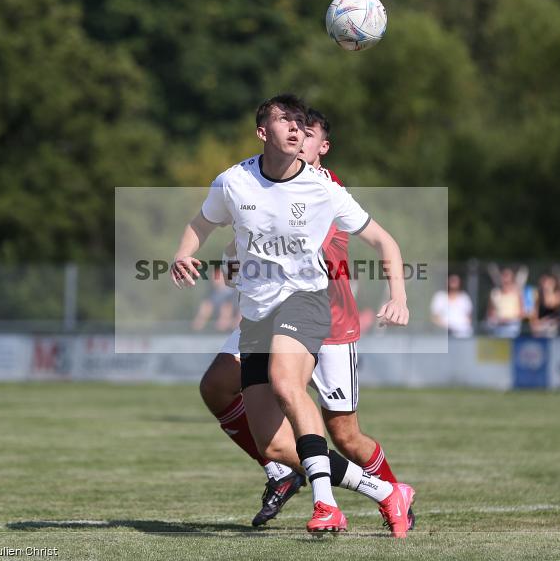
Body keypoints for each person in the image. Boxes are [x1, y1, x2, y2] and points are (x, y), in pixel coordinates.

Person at [172, 94, 414, 537]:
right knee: (275, 445)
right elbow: (202, 224)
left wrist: (398, 296)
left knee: (288, 383)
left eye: (301, 123)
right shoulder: (232, 182)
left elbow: (384, 241)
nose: (296, 128)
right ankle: (386, 492)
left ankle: (327, 505)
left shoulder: (322, 188)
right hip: (256, 314)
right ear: (263, 132)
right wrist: (184, 253)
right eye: (286, 120)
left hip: (306, 301)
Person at [191, 266, 238, 332]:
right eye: (213, 276)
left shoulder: (234, 292)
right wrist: (199, 322)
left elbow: (229, 308)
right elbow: (206, 307)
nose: (213, 278)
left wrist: (226, 320)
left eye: (216, 275)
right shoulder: (212, 294)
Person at [486, 267, 523, 337]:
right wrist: (496, 320)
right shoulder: (494, 293)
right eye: (503, 275)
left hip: (512, 328)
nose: (505, 278)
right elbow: (490, 311)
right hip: (497, 328)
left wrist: (508, 320)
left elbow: (521, 312)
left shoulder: (517, 293)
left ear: (512, 278)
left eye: (507, 276)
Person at [530, 273, 560, 338]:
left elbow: (552, 306)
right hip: (541, 329)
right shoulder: (537, 298)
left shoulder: (558, 296)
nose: (546, 285)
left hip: (553, 329)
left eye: (548, 283)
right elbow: (534, 318)